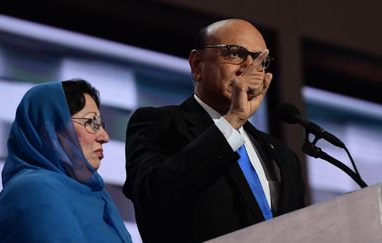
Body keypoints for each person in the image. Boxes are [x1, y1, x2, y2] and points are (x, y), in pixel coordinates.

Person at [123, 19, 305, 242]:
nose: (248, 67)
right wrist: (234, 119)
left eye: (260, 60)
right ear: (197, 65)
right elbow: (152, 196)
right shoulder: (158, 123)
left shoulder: (282, 155)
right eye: (235, 53)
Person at [0, 79, 132, 243]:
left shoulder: (98, 196)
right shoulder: (34, 189)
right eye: (91, 123)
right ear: (50, 131)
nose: (105, 137)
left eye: (100, 124)